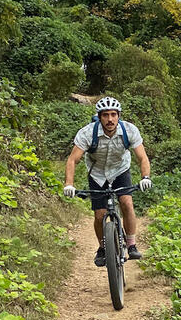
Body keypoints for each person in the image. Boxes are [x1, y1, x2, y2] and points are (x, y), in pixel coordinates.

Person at [63, 96, 153, 266]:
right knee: (100, 215)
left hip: (120, 170)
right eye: (105, 115)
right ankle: (103, 248)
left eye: (113, 114)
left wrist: (145, 177)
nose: (110, 119)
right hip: (97, 173)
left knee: (126, 202)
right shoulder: (87, 133)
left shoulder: (129, 130)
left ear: (119, 115)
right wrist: (69, 184)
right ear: (99, 116)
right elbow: (72, 160)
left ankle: (132, 245)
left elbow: (142, 157)